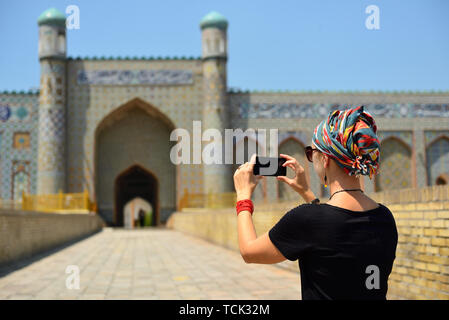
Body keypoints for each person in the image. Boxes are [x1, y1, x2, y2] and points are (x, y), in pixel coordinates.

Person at [233, 105, 398, 300]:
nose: (311, 160)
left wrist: (243, 195)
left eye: (312, 153)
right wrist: (306, 193)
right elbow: (332, 229)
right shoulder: (384, 218)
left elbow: (249, 252)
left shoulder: (307, 219)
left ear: (325, 158)